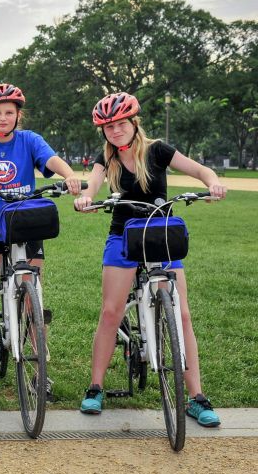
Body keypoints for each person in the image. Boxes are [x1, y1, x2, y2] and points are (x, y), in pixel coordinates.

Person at [74, 92, 227, 426]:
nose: (114, 131)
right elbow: (93, 185)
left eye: (120, 124)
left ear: (133, 122)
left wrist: (213, 183)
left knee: (182, 315)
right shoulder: (106, 158)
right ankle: (95, 388)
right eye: (108, 127)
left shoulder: (158, 150)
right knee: (111, 311)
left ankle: (197, 398)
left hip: (161, 235)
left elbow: (199, 170)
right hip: (123, 235)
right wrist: (86, 198)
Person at [0, 83, 81, 395]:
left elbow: (51, 160)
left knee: (34, 299)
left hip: (25, 224)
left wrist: (69, 174)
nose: (3, 118)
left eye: (9, 112)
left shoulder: (29, 140)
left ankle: (40, 369)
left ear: (18, 115)